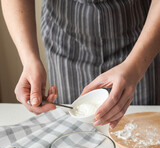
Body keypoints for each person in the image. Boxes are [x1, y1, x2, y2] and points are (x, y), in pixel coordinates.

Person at [1, 0, 160, 128]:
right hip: (66, 40)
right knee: (75, 129)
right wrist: (29, 59)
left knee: (143, 128)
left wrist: (136, 67)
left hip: (143, 37)